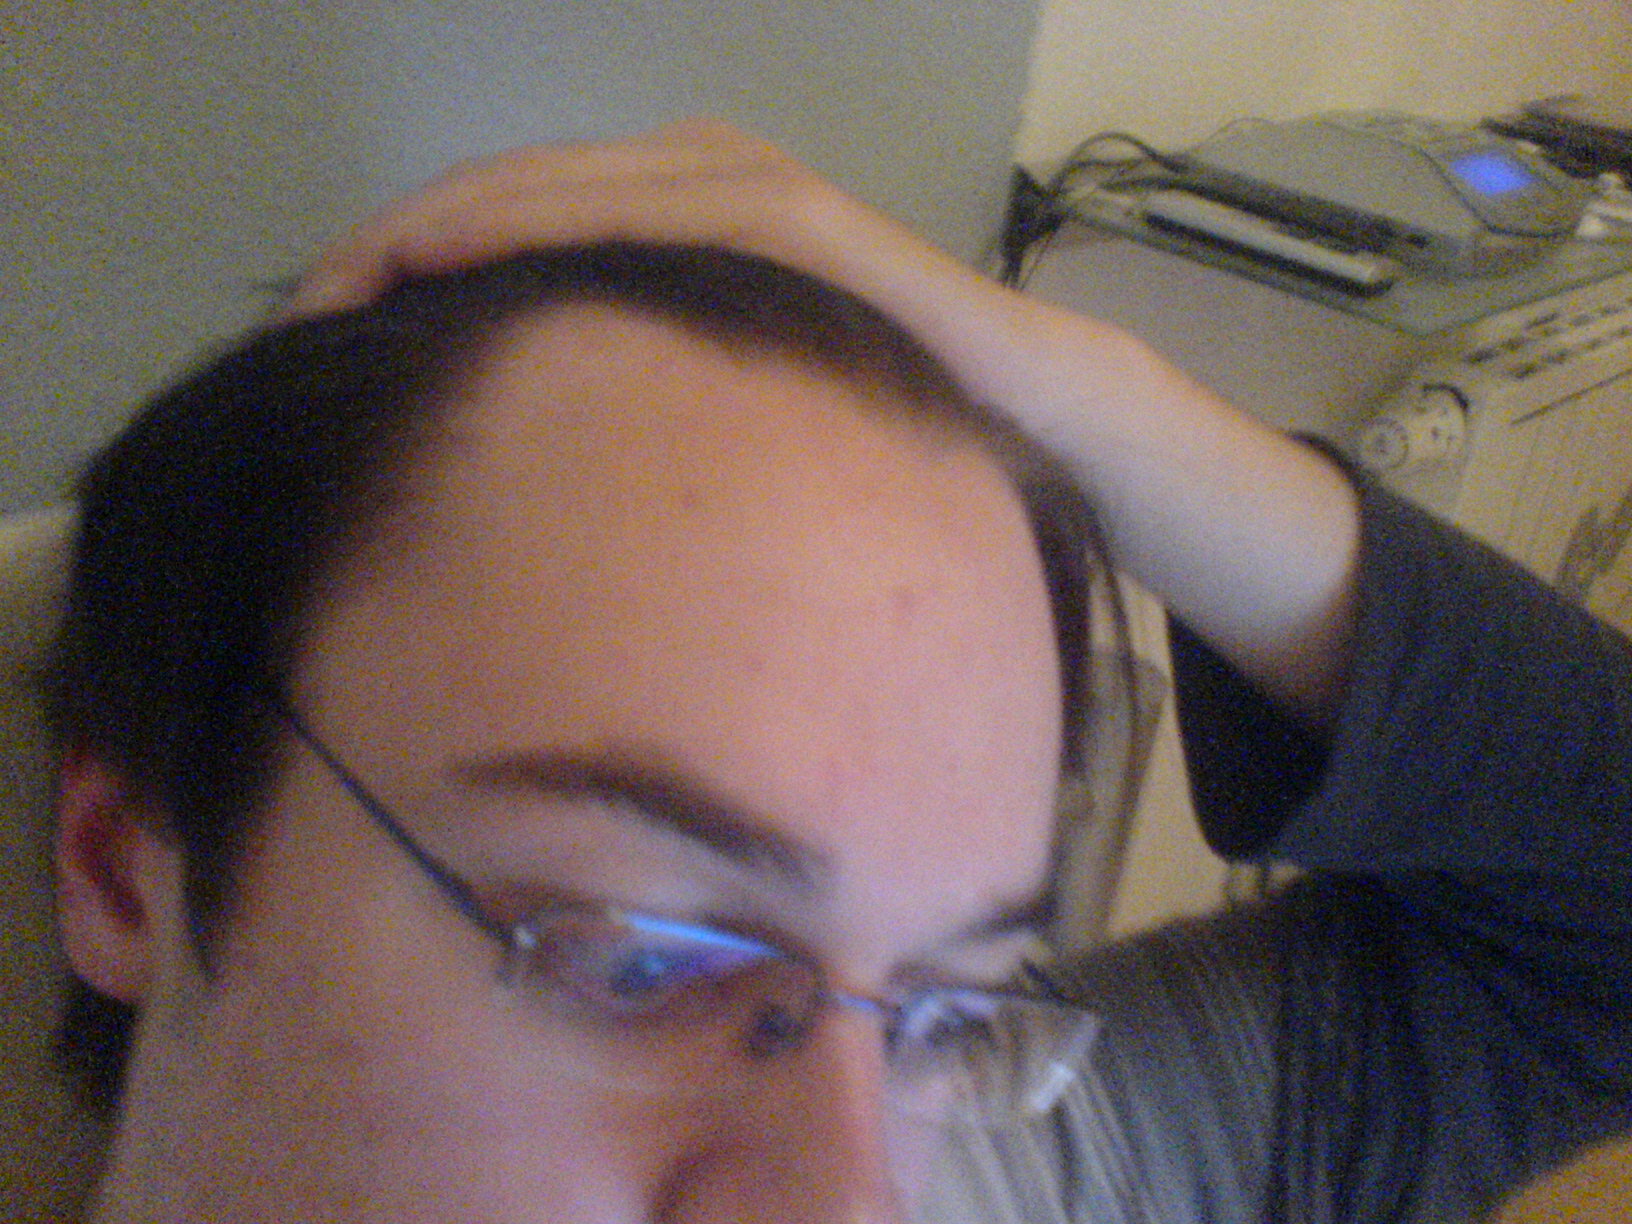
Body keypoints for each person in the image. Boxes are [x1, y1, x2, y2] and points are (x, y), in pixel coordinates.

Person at [48, 120, 1632, 1223]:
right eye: (639, 963)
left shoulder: (1040, 1177)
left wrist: (1084, 390)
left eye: (950, 1011)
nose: (855, 1201)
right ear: (126, 866)